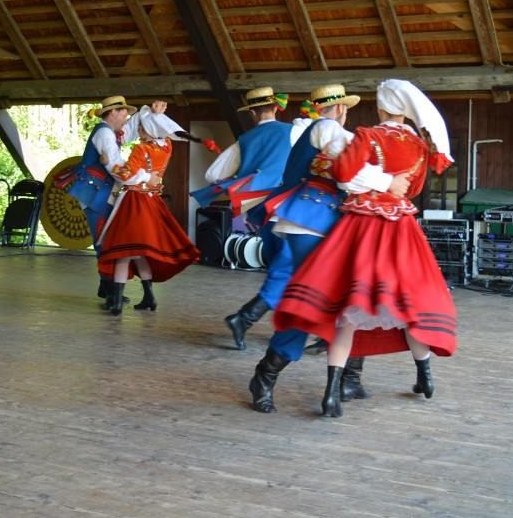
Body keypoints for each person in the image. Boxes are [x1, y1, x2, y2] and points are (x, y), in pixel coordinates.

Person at [272, 79, 457, 418]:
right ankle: (423, 378)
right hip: (401, 226)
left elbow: (345, 174)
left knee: (346, 304)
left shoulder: (367, 136)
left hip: (361, 224)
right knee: (408, 302)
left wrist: (375, 182)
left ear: (381, 108)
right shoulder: (419, 145)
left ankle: (333, 392)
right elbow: (412, 189)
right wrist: (391, 184)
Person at [245, 85, 410, 413]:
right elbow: (350, 173)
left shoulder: (332, 132)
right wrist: (388, 182)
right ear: (342, 109)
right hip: (313, 219)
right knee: (314, 300)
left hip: (329, 222)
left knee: (354, 297)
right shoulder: (327, 129)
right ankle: (266, 374)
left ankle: (349, 377)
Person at [192, 87, 300, 350]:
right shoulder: (293, 132)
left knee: (282, 267)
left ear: (252, 113)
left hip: (260, 212)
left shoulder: (244, 140)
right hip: (286, 209)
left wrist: (242, 177)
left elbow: (212, 174)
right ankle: (247, 319)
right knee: (288, 267)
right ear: (276, 107)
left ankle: (283, 328)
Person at [96, 104, 209, 315]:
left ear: (149, 130)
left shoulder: (141, 149)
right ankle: (149, 297)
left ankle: (117, 303)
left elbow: (126, 175)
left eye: (140, 127)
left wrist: (108, 162)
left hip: (134, 202)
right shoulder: (167, 147)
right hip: (152, 201)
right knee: (140, 253)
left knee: (123, 252)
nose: (137, 130)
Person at [57, 96, 159, 306]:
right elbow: (116, 166)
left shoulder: (111, 132)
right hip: (96, 195)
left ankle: (107, 287)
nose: (127, 119)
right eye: (124, 114)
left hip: (100, 193)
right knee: (104, 241)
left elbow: (132, 129)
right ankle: (111, 291)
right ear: (113, 112)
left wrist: (150, 112)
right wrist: (146, 176)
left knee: (107, 240)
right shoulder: (104, 134)